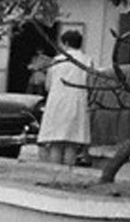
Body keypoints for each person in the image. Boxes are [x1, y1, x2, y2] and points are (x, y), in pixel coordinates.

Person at [38, 30, 93, 167]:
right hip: (77, 102)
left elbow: (48, 85)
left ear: (66, 43)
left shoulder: (57, 61)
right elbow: (91, 84)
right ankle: (68, 174)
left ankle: (54, 173)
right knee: (72, 143)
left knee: (55, 141)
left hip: (57, 102)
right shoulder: (87, 60)